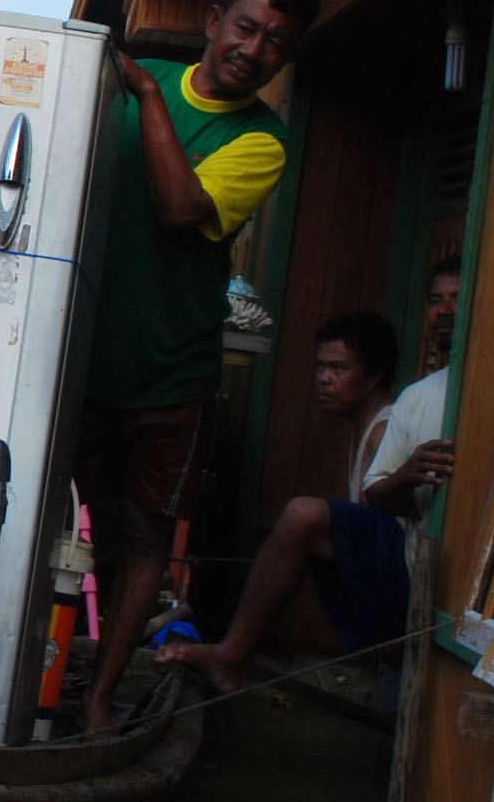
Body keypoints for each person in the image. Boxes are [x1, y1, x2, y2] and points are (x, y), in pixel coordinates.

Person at [72, 0, 312, 730]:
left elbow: (181, 208)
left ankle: (102, 696)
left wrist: (143, 92)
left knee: (142, 537)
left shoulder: (261, 142)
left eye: (275, 41)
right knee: (68, 521)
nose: (253, 47)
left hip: (168, 372)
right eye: (245, 26)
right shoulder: (114, 85)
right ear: (214, 21)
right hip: (71, 354)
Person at [158, 310, 406, 693]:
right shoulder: (364, 425)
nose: (324, 378)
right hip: (373, 584)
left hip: (396, 593)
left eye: (338, 368)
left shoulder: (384, 430)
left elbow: (379, 538)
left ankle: (232, 653)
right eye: (320, 366)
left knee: (302, 515)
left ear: (374, 376)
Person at [362, 256, 463, 532]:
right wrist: (407, 475)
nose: (444, 310)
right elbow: (375, 491)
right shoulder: (416, 395)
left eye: (457, 297)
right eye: (435, 300)